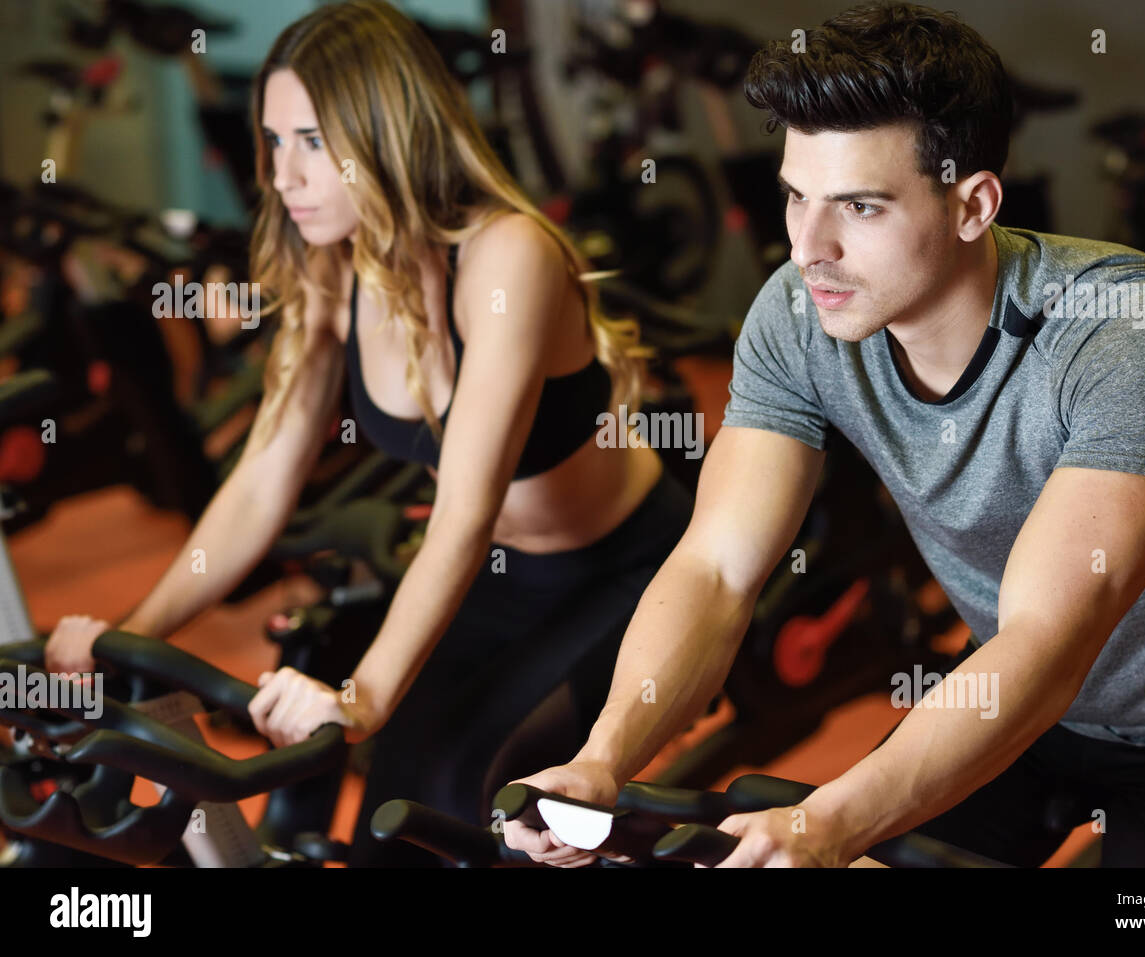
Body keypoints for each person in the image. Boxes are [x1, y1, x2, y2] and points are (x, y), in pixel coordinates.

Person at [503, 1, 1145, 868]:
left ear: (973, 204)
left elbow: (1050, 637)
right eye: (796, 198)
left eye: (861, 207)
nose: (812, 247)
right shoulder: (798, 313)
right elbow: (717, 565)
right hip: (1006, 693)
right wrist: (604, 758)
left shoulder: (1131, 328)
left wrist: (828, 822)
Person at [42, 0, 692, 866]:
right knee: (398, 802)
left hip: (625, 572)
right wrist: (128, 634)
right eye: (274, 142)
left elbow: (463, 509)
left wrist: (361, 695)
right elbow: (262, 475)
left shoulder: (508, 258)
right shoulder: (331, 269)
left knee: (477, 795)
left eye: (311, 141)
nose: (281, 175)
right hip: (504, 577)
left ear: (387, 131)